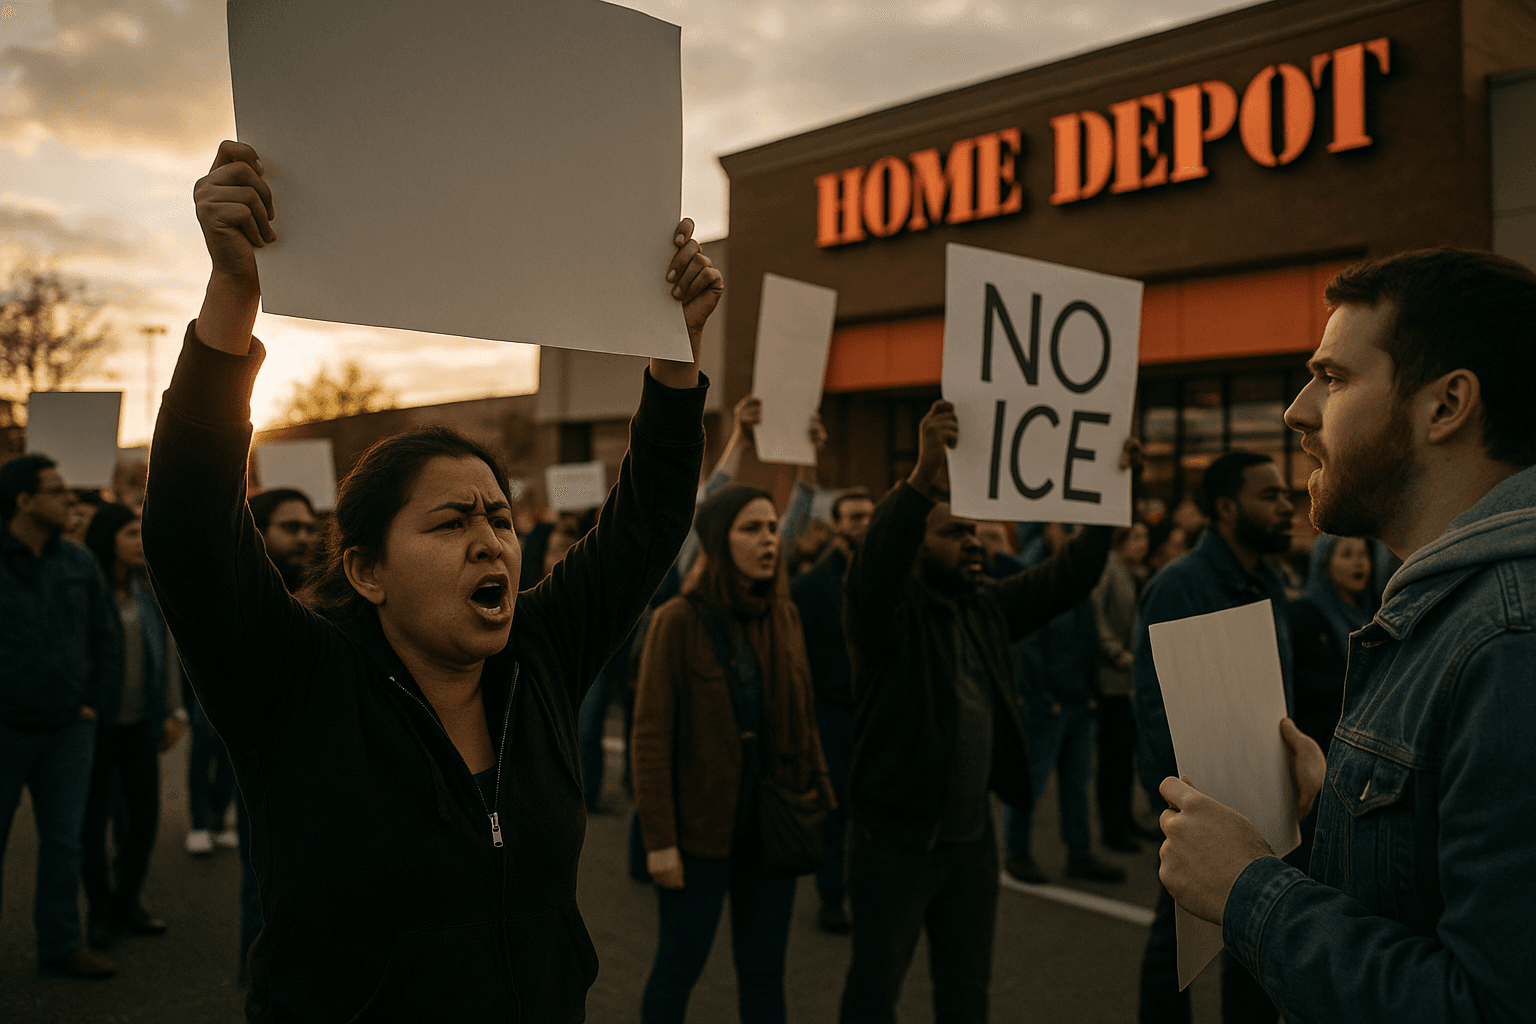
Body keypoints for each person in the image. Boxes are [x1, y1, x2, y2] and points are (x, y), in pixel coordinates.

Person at [141, 139, 722, 1020]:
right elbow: (189, 530)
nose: (491, 539)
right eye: (451, 522)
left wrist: (674, 357)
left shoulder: (542, 654)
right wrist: (232, 298)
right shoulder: (296, 682)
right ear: (367, 570)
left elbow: (644, 526)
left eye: (497, 516)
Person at [1159, 248, 1536, 1023]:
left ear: (1446, 405)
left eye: (1332, 378)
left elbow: (1489, 1008)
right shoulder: (1466, 613)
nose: (1298, 410)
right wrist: (1344, 801)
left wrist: (1247, 890)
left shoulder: (1508, 642)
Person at [838, 400, 1134, 1024]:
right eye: (953, 533)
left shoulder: (986, 606)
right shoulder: (885, 620)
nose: (973, 543)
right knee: (874, 993)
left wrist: (1110, 492)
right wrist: (920, 480)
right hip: (894, 844)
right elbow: (877, 567)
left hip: (971, 843)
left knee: (967, 995)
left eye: (975, 532)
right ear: (918, 543)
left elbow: (1070, 577)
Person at [632, 484, 832, 1024]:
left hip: (771, 832)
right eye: (752, 529)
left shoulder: (783, 617)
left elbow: (804, 720)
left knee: (765, 977)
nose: (768, 539)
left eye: (772, 528)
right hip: (699, 839)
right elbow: (650, 738)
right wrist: (661, 843)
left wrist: (819, 798)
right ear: (720, 542)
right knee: (678, 971)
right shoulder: (677, 621)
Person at [1133, 449, 1295, 1024]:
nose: (1286, 505)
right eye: (1269, 495)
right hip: (1206, 802)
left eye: (1285, 495)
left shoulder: (1266, 578)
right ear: (1226, 507)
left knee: (1254, 943)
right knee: (1178, 946)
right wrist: (1187, 802)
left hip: (1266, 797)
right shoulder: (1180, 585)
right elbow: (1154, 708)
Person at [0, 453, 123, 979]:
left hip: (69, 728)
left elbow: (106, 637)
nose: (71, 499)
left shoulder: (78, 562)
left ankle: (61, 943)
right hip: (4, 730)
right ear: (24, 500)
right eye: (56, 491)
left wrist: (94, 703)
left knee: (65, 842)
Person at [80, 502, 188, 949]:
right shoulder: (87, 591)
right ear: (107, 538)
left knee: (143, 821)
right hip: (95, 727)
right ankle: (100, 912)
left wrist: (173, 711)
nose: (140, 542)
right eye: (129, 533)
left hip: (141, 725)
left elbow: (164, 657)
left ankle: (128, 901)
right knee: (93, 824)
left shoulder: (148, 593)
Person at [1002, 522, 1127, 886]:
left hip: (1077, 696)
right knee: (1030, 782)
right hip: (1047, 702)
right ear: (1046, 528)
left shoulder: (1073, 572)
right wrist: (1041, 696)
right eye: (1065, 525)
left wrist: (1088, 687)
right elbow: (1025, 645)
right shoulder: (1032, 571)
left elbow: (1087, 630)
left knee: (1076, 783)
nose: (1073, 532)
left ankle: (1079, 853)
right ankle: (1016, 851)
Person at [790, 485, 875, 934]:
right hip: (831, 711)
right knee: (835, 807)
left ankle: (868, 891)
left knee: (874, 807)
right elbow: (798, 656)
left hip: (875, 712)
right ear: (837, 525)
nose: (863, 524)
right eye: (854, 517)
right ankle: (831, 895)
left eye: (869, 516)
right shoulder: (811, 586)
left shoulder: (889, 575)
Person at [1091, 521, 1153, 852]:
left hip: (1127, 681)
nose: (1143, 543)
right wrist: (1113, 650)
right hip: (1112, 681)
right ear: (1121, 539)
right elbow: (1095, 610)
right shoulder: (1108, 566)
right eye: (1137, 537)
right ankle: (1113, 829)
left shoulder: (1130, 570)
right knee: (1113, 760)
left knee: (1125, 756)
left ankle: (1125, 820)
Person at [1286, 533, 1375, 748]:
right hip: (1326, 738)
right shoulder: (1304, 613)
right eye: (1347, 554)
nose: (1359, 562)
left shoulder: (1369, 612)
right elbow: (1304, 682)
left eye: (1363, 554)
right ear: (1325, 563)